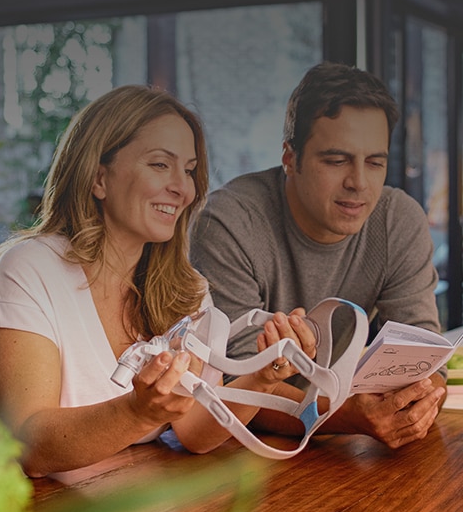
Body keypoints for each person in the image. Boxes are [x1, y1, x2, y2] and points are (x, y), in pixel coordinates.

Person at [0, 85, 316, 477]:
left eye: (189, 170)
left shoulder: (187, 290)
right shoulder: (28, 270)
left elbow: (194, 431)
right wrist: (137, 412)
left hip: (128, 509)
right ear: (98, 178)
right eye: (161, 165)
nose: (183, 188)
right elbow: (30, 447)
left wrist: (263, 376)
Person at [190, 61, 447, 450]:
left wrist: (420, 401)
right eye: (336, 160)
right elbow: (231, 390)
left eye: (375, 162)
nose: (359, 183)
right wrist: (343, 415)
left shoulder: (398, 219)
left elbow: (424, 354)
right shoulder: (229, 223)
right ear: (290, 158)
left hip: (339, 445)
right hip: (236, 452)